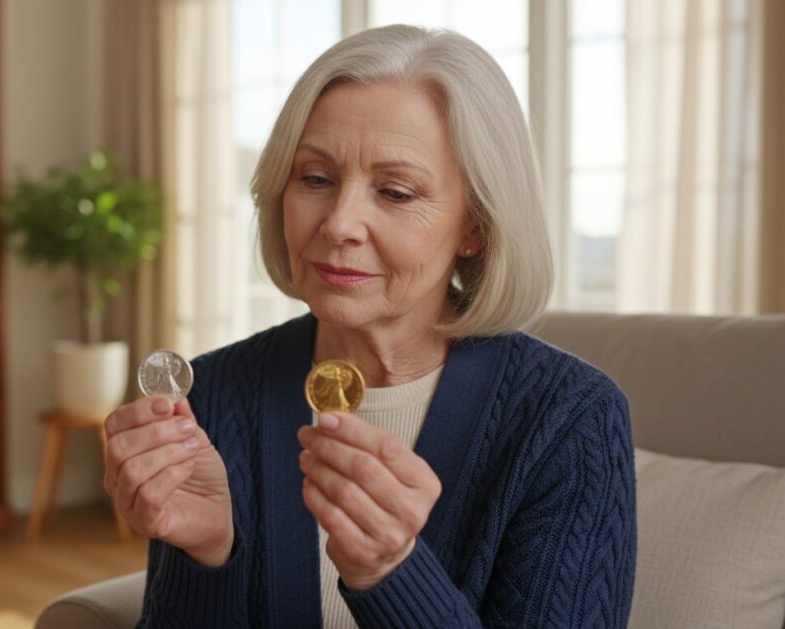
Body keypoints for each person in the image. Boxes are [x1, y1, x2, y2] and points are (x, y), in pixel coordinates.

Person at [102, 24, 636, 628]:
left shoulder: (570, 421)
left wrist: (392, 573)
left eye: (397, 192)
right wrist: (207, 558)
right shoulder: (212, 393)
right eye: (316, 179)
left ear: (475, 226)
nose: (339, 223)